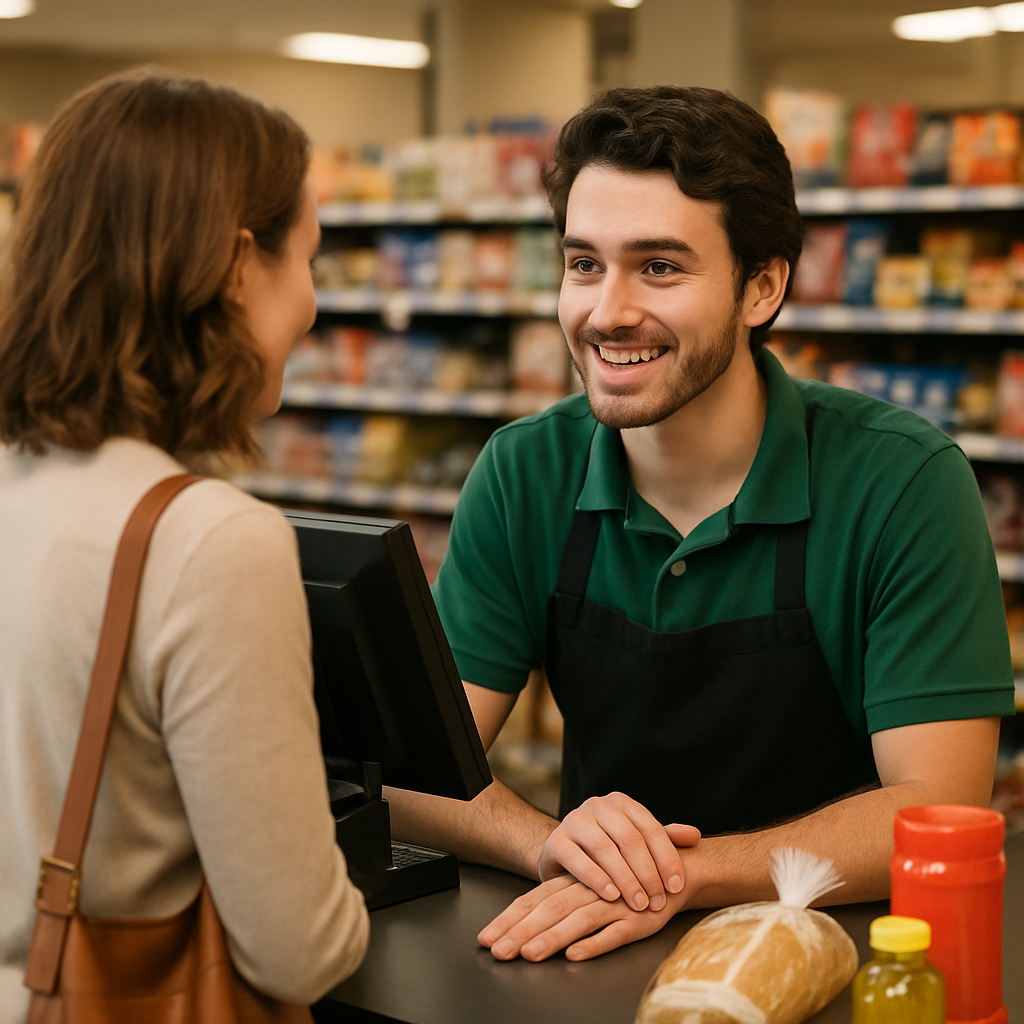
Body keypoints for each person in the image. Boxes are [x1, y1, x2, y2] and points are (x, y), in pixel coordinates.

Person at [385, 85, 1015, 962]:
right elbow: (412, 774)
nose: (606, 312)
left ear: (762, 286)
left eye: (660, 267)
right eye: (583, 264)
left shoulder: (902, 481)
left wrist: (685, 875)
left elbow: (938, 806)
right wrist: (547, 844)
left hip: (842, 953)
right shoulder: (524, 472)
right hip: (585, 943)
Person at [0, 70, 369, 1020]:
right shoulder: (206, 539)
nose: (316, 307)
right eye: (309, 263)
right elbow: (300, 949)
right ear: (239, 265)